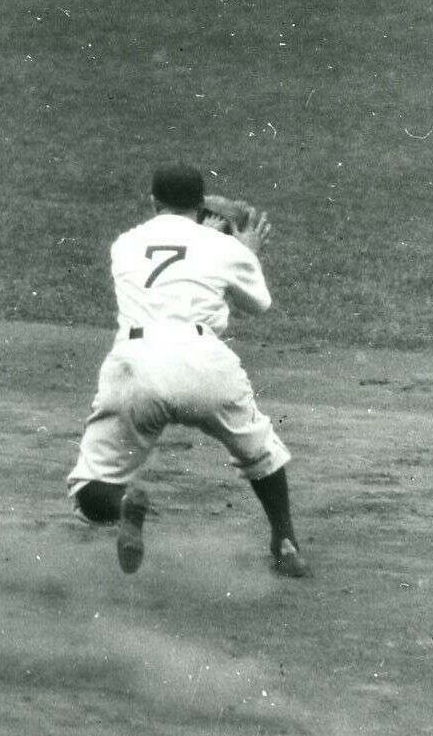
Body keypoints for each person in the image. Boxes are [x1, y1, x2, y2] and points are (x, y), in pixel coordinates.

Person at [66, 163, 307, 577]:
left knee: (89, 487)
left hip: (135, 366)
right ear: (199, 204)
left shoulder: (124, 244)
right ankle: (285, 542)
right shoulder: (225, 248)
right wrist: (246, 250)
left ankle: (123, 506)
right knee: (260, 451)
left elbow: (177, 251)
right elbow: (258, 304)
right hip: (204, 364)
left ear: (152, 201)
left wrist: (206, 223)